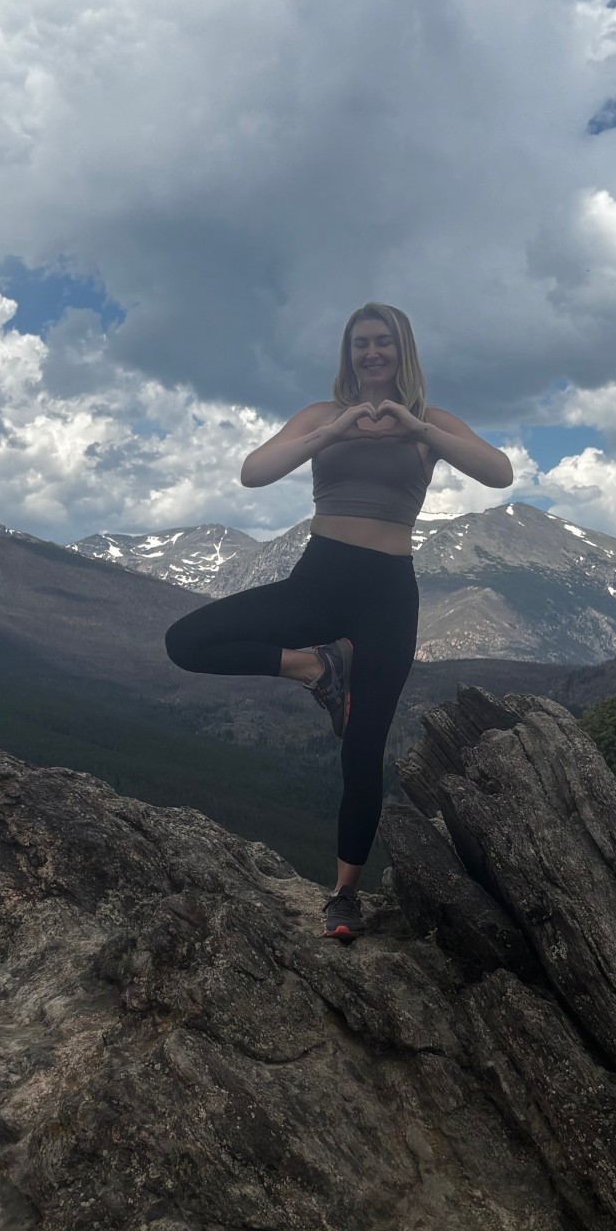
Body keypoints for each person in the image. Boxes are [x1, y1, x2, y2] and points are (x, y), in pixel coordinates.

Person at [164, 302, 514, 939]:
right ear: (347, 354)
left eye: (382, 343)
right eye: (360, 344)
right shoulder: (322, 416)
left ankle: (344, 897)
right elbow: (254, 472)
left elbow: (499, 472)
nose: (371, 353)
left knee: (363, 751)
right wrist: (336, 431)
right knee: (186, 640)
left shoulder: (429, 423)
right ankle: (316, 667)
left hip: (388, 594)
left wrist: (417, 428)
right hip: (319, 579)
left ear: (401, 350)